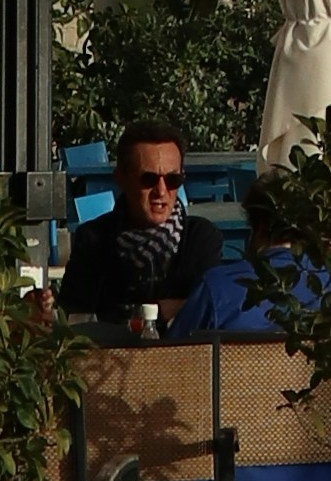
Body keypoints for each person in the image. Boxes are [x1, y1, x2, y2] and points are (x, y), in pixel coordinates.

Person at [58, 116, 225, 331]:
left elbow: (214, 308)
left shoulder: (201, 237)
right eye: (148, 179)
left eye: (172, 180)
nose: (161, 191)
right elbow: (72, 315)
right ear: (121, 178)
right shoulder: (94, 239)